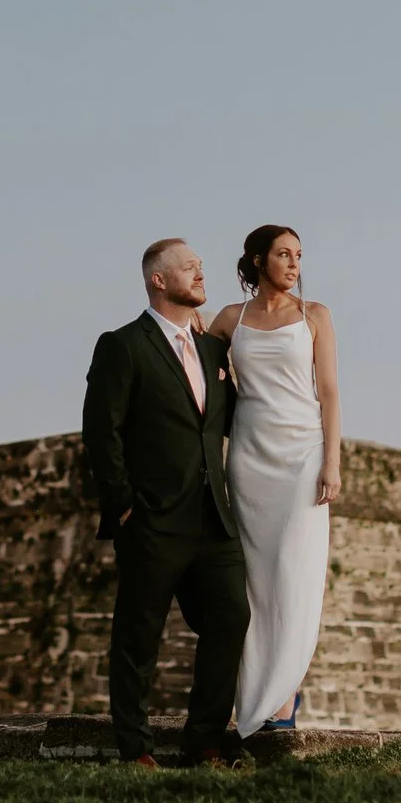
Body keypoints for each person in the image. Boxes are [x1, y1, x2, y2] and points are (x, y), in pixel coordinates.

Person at [81, 238, 251, 768]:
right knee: (138, 638)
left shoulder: (212, 351)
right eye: (190, 267)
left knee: (231, 618)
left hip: (213, 519)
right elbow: (100, 430)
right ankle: (136, 750)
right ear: (159, 279)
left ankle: (204, 742)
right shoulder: (122, 345)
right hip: (152, 519)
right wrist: (124, 504)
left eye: (201, 266)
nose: (202, 274)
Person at [203, 225, 340, 735]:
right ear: (259, 260)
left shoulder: (315, 317)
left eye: (299, 255)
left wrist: (333, 462)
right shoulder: (229, 320)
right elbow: (194, 360)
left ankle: (284, 698)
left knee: (296, 575)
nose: (294, 264)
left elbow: (329, 392)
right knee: (255, 583)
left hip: (303, 454)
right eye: (284, 254)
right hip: (250, 457)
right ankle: (253, 698)